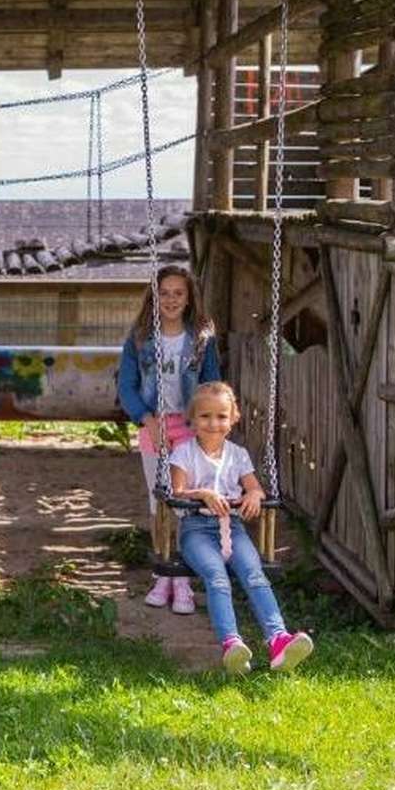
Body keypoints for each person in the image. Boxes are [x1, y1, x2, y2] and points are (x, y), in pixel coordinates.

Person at [169, 381, 313, 675]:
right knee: (217, 578)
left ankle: (278, 641)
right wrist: (203, 493)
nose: (213, 423)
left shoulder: (238, 454)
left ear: (233, 419)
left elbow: (255, 488)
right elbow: (176, 492)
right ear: (193, 420)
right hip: (196, 530)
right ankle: (231, 644)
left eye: (221, 416)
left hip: (232, 529)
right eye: (205, 416)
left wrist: (254, 495)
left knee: (255, 575)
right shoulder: (183, 452)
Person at [117, 264, 221, 615]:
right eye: (165, 293)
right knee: (159, 503)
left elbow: (211, 385)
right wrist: (147, 420)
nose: (171, 299)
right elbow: (126, 387)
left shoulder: (202, 337)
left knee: (188, 504)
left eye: (179, 293)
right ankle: (164, 575)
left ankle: (184, 581)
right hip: (155, 427)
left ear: (189, 298)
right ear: (155, 297)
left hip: (191, 429)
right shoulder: (140, 337)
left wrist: (208, 426)